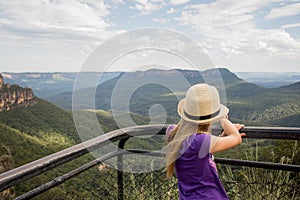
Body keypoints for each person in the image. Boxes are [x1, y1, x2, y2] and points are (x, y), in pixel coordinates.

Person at [165, 83, 246, 200]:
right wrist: (223, 120)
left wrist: (223, 135)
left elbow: (199, 154)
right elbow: (236, 138)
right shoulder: (201, 141)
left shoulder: (172, 133)